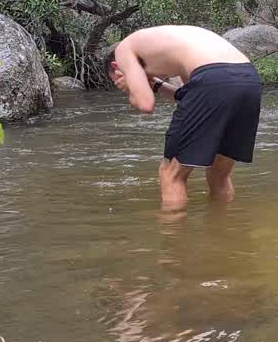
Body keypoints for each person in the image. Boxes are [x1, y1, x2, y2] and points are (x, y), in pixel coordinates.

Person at [105, 26, 262, 210]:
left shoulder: (124, 49)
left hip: (213, 80)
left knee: (170, 175)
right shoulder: (171, 43)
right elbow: (191, 98)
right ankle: (223, 229)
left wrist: (130, 88)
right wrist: (156, 85)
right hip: (249, 79)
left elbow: (145, 105)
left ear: (117, 67)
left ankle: (174, 236)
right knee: (218, 174)